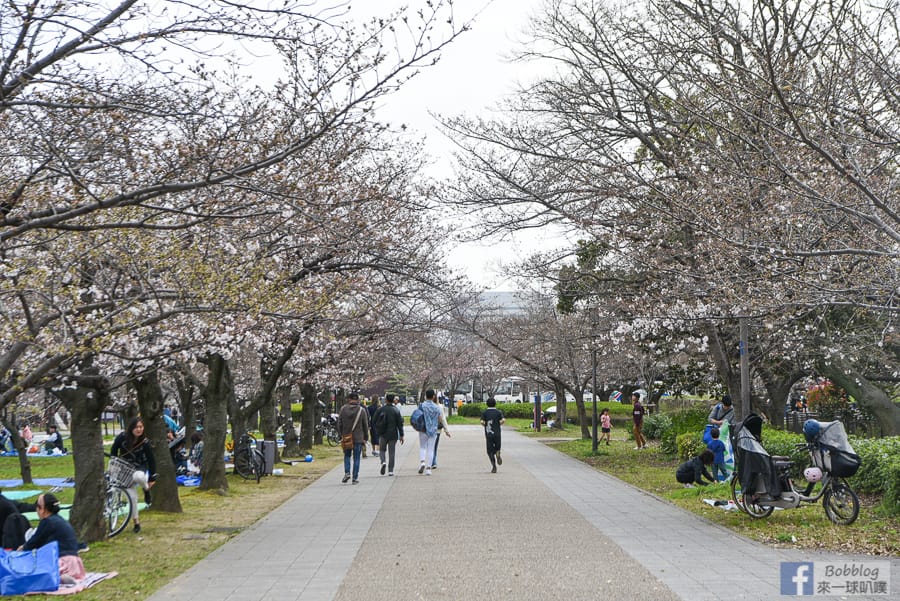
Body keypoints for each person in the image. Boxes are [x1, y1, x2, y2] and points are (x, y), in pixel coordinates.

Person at [20, 493, 86, 583]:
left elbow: (33, 543)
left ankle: (60, 577)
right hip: (75, 564)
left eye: (38, 506)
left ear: (43, 509)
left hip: (62, 562)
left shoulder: (47, 522)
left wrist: (21, 549)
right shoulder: (59, 520)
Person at [110, 417, 157, 533]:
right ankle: (136, 523)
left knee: (139, 477)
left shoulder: (145, 442)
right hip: (124, 470)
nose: (139, 429)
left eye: (141, 427)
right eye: (136, 427)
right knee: (132, 498)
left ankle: (146, 490)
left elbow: (151, 460)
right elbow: (113, 452)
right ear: (131, 428)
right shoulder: (122, 438)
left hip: (139, 468)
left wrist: (152, 478)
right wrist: (115, 465)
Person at [338, 393, 368, 484]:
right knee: (356, 458)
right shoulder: (361, 410)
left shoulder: (343, 409)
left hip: (346, 437)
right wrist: (366, 437)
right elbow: (365, 425)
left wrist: (341, 435)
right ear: (357, 400)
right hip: (358, 437)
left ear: (349, 399)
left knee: (347, 456)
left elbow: (339, 423)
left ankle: (347, 472)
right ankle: (355, 478)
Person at [418, 389, 449, 475]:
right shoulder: (437, 407)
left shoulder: (421, 406)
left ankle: (422, 462)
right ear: (433, 396)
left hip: (423, 429)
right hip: (433, 429)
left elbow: (418, 415)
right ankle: (428, 469)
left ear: (425, 396)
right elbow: (440, 419)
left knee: (423, 447)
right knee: (431, 449)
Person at [374, 394, 404, 476]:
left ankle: (383, 462)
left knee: (382, 450)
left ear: (386, 400)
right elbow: (400, 424)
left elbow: (374, 420)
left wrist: (377, 429)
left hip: (383, 433)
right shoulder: (396, 410)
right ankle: (390, 470)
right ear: (393, 400)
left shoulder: (380, 409)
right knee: (392, 452)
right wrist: (401, 435)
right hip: (393, 434)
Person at [480, 397, 506, 473]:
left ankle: (494, 466)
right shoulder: (498, 412)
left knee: (489, 451)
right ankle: (497, 452)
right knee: (497, 447)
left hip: (489, 434)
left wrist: (485, 424)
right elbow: (503, 420)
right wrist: (499, 424)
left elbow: (482, 422)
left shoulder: (485, 412)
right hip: (497, 433)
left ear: (487, 404)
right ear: (495, 403)